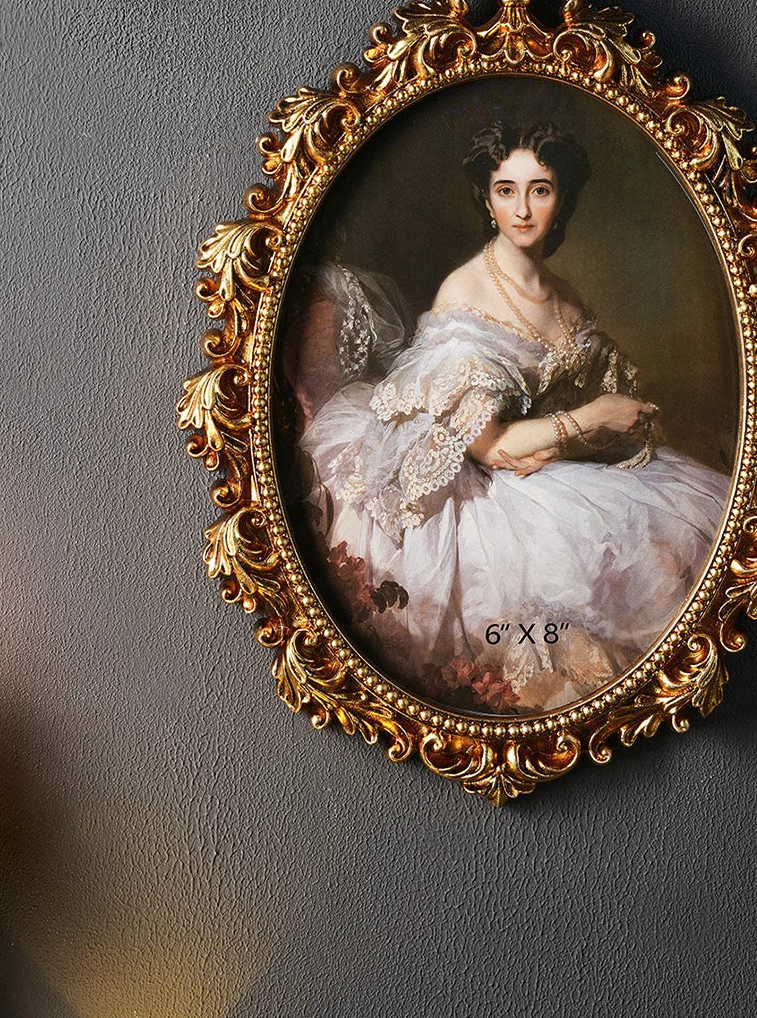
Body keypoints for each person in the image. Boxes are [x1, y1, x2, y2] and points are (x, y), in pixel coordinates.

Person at [297, 121, 731, 715]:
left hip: (551, 469)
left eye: (540, 190)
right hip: (480, 493)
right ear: (487, 197)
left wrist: (589, 429)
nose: (522, 209)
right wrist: (591, 417)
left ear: (564, 197)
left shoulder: (567, 295)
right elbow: (489, 444)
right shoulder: (465, 293)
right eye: (506, 190)